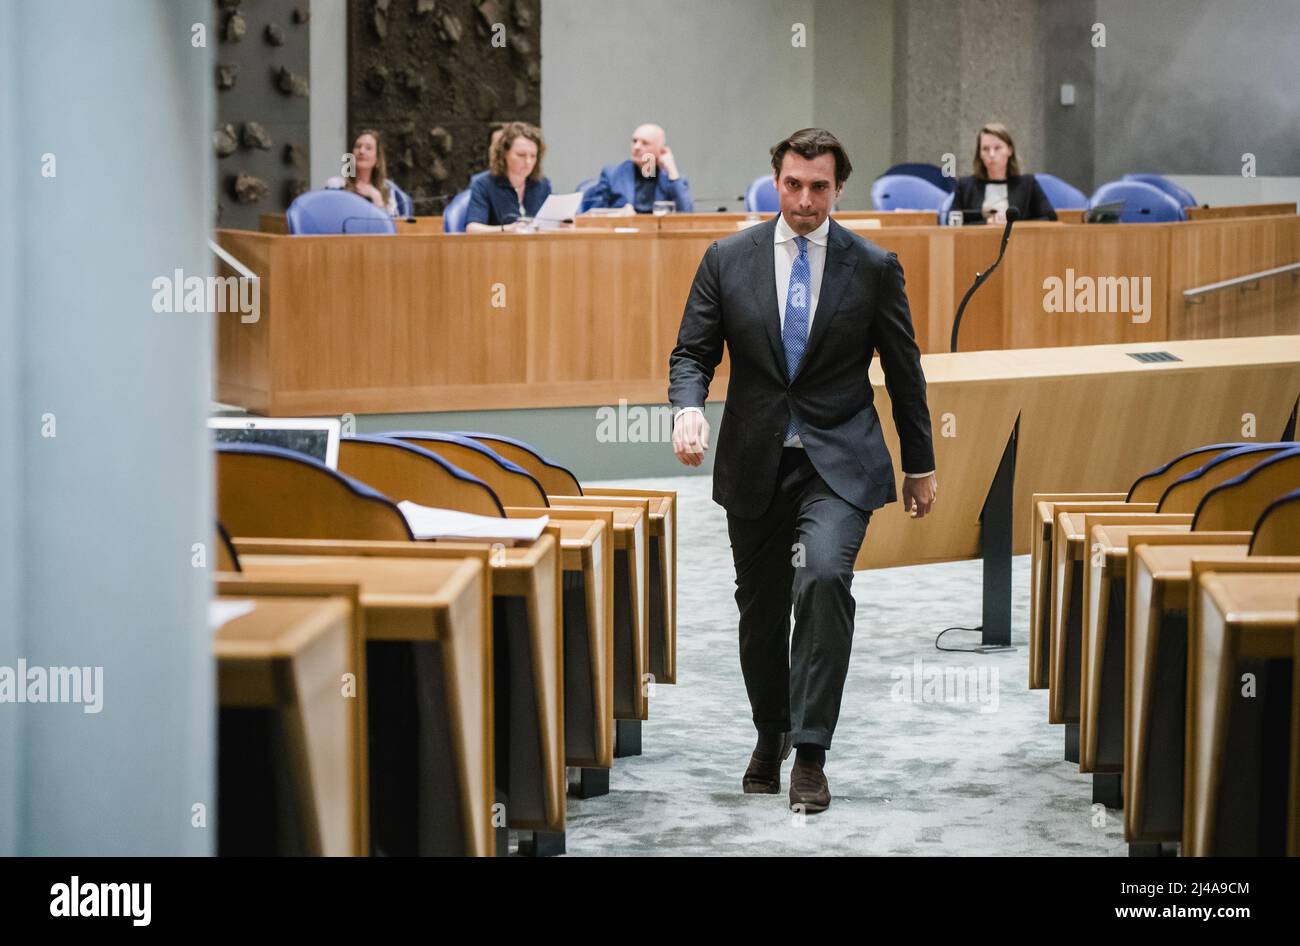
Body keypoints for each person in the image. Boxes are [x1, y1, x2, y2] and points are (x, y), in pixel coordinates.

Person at [668, 128, 936, 814]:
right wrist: (687, 408)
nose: (805, 199)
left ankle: (810, 751)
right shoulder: (727, 259)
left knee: (822, 577)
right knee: (759, 611)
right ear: (775, 181)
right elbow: (692, 353)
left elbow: (905, 373)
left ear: (838, 188)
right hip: (756, 459)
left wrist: (920, 463)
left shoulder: (872, 267)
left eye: (819, 187)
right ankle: (771, 732)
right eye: (793, 184)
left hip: (840, 460)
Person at [949, 122, 1056, 224]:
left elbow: (1050, 217)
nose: (991, 154)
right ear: (979, 154)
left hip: (1018, 241)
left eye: (997, 148)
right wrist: (987, 223)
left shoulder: (1028, 184)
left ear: (1009, 150)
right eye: (985, 149)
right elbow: (952, 221)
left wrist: (1012, 224)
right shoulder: (965, 186)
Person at [580, 123, 694, 213]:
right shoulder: (612, 174)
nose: (637, 147)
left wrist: (672, 170)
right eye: (634, 141)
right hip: (623, 238)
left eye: (645, 143)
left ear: (661, 150)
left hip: (658, 237)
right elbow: (595, 215)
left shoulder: (672, 180)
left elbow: (686, 214)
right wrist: (618, 214)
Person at [466, 121, 552, 232]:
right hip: (497, 247)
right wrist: (507, 229)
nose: (528, 161)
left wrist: (562, 223)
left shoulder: (542, 184)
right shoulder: (484, 184)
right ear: (504, 154)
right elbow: (472, 229)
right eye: (521, 155)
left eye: (533, 156)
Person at [327, 129, 405, 217]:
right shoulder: (336, 185)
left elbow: (394, 227)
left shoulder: (388, 192)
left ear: (377, 160)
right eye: (358, 146)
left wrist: (377, 198)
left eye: (368, 148)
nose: (361, 151)